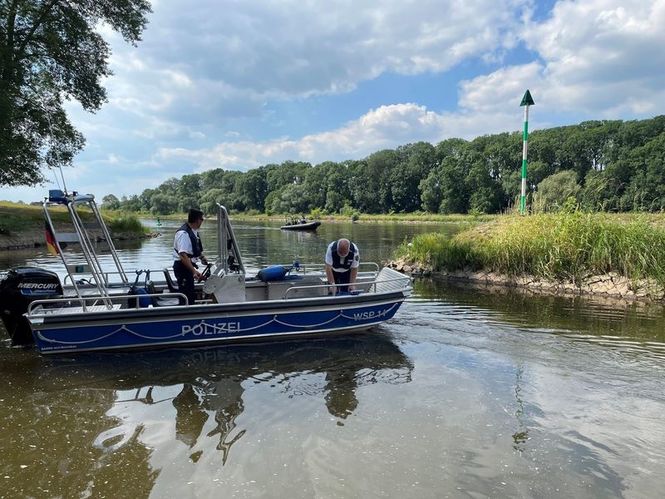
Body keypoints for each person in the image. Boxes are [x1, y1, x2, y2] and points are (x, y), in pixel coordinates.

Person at [173, 208, 208, 305]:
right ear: (197, 220)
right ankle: (185, 315)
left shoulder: (193, 231)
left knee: (190, 293)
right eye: (202, 219)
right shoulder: (183, 234)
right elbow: (183, 255)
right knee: (186, 296)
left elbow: (193, 249)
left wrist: (202, 257)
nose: (202, 221)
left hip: (187, 266)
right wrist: (194, 271)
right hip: (182, 267)